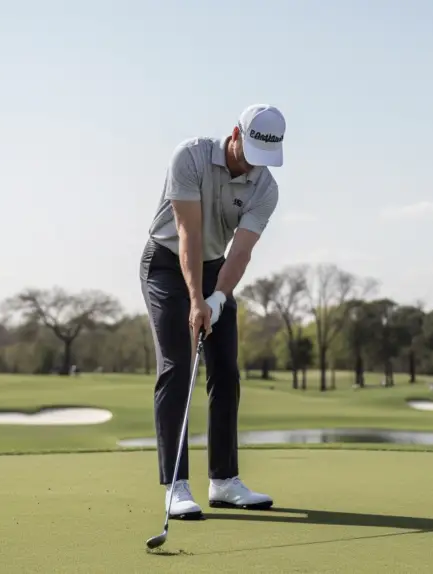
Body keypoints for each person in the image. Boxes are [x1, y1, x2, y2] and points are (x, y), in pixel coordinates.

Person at [139, 103, 285, 520]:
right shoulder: (190, 157)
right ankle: (176, 486)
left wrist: (217, 298)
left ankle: (223, 482)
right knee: (177, 364)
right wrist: (194, 299)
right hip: (167, 263)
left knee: (226, 368)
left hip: (215, 269)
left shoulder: (266, 188)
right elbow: (188, 234)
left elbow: (239, 253)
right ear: (235, 135)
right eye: (248, 155)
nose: (250, 168)